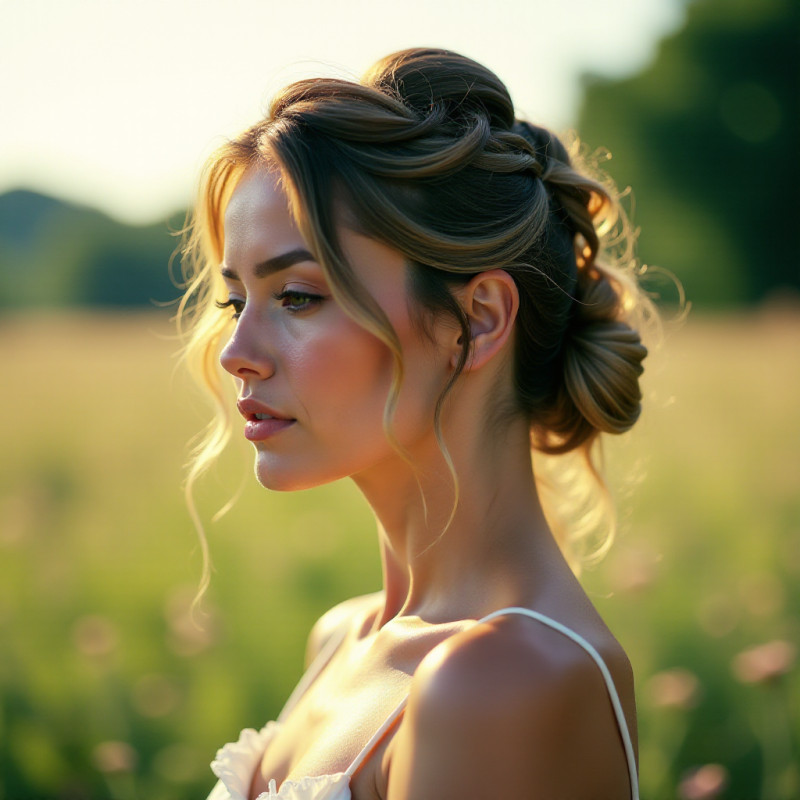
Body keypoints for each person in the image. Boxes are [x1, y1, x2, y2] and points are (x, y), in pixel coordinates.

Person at [177, 47, 651, 800]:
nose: (237, 353)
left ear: (478, 317)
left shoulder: (500, 680)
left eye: (298, 296)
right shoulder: (343, 637)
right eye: (237, 301)